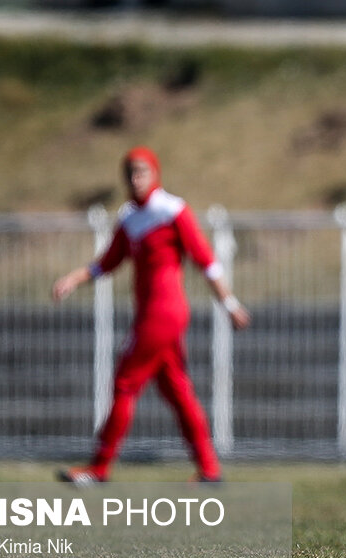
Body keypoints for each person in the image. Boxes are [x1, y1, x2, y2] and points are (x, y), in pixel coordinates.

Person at [53, 146, 250, 485]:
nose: (135, 178)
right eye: (130, 172)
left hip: (164, 312)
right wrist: (75, 278)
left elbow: (206, 260)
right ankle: (209, 469)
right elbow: (108, 261)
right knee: (177, 391)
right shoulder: (129, 217)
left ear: (156, 173)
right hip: (151, 314)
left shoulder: (172, 210)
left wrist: (229, 304)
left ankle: (99, 469)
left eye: (142, 170)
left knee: (125, 383)